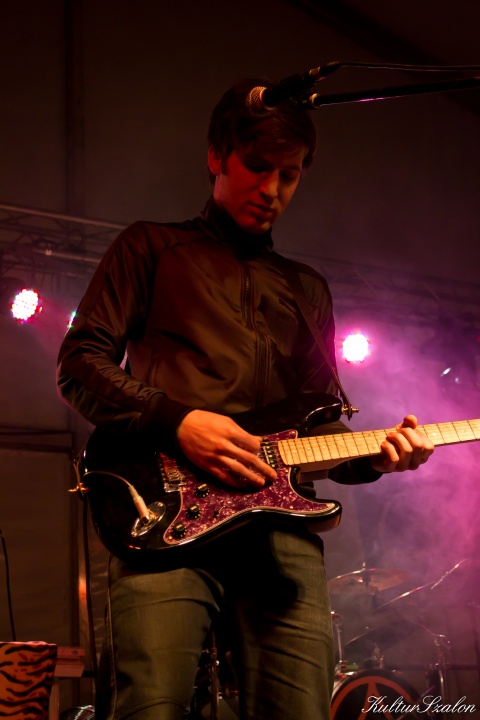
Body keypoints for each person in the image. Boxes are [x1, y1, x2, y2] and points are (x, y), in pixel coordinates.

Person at [57, 77, 434, 720]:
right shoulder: (150, 247)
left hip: (281, 529)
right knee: (151, 706)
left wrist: (377, 458)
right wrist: (180, 422)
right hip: (165, 511)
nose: (272, 190)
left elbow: (317, 427)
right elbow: (79, 364)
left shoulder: (306, 288)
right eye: (258, 167)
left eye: (290, 175)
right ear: (216, 156)